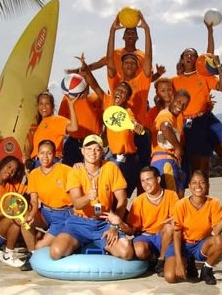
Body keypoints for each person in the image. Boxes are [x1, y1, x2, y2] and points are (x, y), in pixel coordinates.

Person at [49, 134, 134, 260]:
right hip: (80, 223)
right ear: (82, 151)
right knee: (56, 252)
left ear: (102, 152)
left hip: (104, 222)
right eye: (88, 149)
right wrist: (89, 197)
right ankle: (81, 243)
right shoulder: (76, 170)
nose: (92, 152)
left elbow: (122, 200)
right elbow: (77, 203)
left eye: (96, 149)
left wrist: (114, 225)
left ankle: (99, 242)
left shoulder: (111, 167)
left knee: (126, 252)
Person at [79, 53, 144, 198]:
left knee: (123, 195)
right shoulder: (108, 102)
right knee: (111, 195)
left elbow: (133, 123)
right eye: (118, 90)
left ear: (127, 98)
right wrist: (85, 67)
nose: (119, 92)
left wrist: (136, 126)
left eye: (124, 92)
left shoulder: (128, 112)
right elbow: (94, 85)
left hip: (129, 159)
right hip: (112, 157)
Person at [171, 21, 222, 180]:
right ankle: (201, 193)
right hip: (190, 123)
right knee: (200, 165)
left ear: (198, 60)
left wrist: (210, 30)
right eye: (186, 55)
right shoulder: (175, 80)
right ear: (182, 60)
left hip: (207, 118)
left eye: (193, 55)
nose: (190, 57)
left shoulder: (204, 75)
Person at [163, 170, 222, 285]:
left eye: (202, 182)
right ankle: (187, 261)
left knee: (219, 240)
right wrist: (179, 262)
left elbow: (217, 231)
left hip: (200, 244)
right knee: (170, 277)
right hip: (183, 244)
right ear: (189, 186)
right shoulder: (181, 205)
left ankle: (206, 269)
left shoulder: (214, 203)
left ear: (207, 185)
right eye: (194, 182)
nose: (198, 186)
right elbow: (177, 234)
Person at [106, 11, 153, 169]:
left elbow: (148, 59)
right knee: (122, 179)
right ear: (122, 66)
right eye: (126, 61)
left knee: (145, 174)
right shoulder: (116, 82)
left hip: (140, 132)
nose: (129, 64)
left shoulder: (142, 81)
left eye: (133, 62)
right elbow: (110, 59)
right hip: (121, 134)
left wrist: (147, 30)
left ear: (137, 66)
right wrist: (112, 31)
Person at [112, 166, 179, 276]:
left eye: (148, 179)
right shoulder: (139, 200)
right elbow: (132, 229)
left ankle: (161, 260)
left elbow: (176, 220)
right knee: (139, 250)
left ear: (158, 180)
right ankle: (153, 259)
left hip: (164, 235)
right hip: (146, 235)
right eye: (142, 181)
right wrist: (119, 223)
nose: (145, 184)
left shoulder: (171, 195)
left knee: (169, 227)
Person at [0, 155, 36, 268]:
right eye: (8, 167)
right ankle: (7, 254)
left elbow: (31, 188)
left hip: (6, 226)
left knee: (23, 219)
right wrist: (7, 213)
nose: (10, 172)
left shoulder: (11, 185)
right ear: (1, 165)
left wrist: (28, 173)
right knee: (14, 216)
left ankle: (28, 252)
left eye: (13, 171)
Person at [26, 139, 73, 250]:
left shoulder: (65, 170)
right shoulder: (33, 174)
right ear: (37, 155)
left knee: (40, 246)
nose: (45, 156)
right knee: (25, 220)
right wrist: (31, 215)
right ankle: (32, 254)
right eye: (42, 153)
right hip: (45, 212)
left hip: (63, 214)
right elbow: (33, 200)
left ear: (54, 155)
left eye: (49, 153)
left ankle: (37, 250)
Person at [150, 89, 190, 198]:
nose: (181, 106)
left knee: (174, 197)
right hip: (165, 161)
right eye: (179, 101)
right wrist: (178, 147)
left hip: (167, 161)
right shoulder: (165, 114)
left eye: (184, 104)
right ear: (172, 99)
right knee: (170, 199)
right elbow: (165, 127)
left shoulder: (173, 117)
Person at [58, 78, 103, 166]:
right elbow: (61, 123)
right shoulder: (67, 99)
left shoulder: (97, 98)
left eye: (85, 78)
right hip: (73, 143)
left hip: (93, 142)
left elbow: (106, 120)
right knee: (69, 173)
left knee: (93, 174)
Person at [29, 90, 78, 167]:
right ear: (38, 106)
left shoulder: (56, 120)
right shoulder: (38, 124)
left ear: (52, 106)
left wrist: (71, 106)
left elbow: (74, 127)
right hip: (35, 163)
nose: (44, 107)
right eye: (41, 104)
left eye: (47, 104)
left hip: (49, 162)